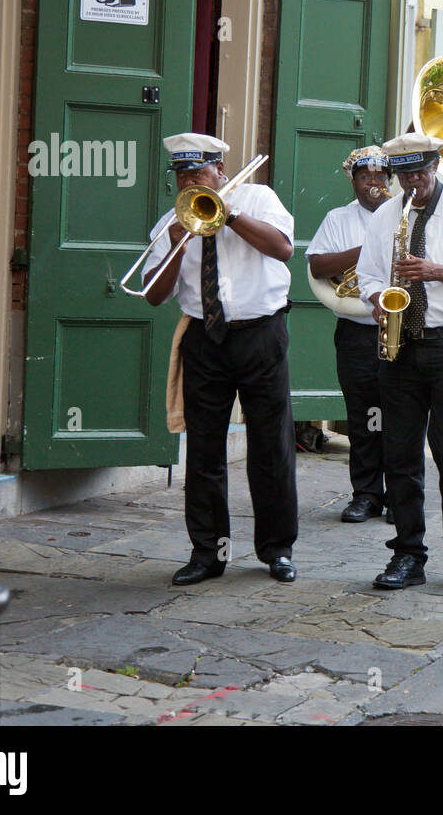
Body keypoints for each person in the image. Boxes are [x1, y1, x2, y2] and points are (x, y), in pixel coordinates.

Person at [143, 133, 298, 586]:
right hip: (205, 339)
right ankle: (208, 553)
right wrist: (176, 245)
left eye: (199, 172)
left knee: (272, 446)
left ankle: (277, 550)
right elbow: (154, 295)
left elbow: (284, 248)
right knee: (204, 451)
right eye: (182, 173)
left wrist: (228, 216)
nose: (190, 180)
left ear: (220, 172)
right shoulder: (171, 222)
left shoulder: (257, 197)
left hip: (261, 334)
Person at [356, 134, 443, 592]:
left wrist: (439, 271)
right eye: (404, 175)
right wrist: (378, 297)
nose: (413, 183)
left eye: (420, 173)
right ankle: (407, 553)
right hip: (400, 344)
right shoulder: (386, 215)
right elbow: (367, 274)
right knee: (399, 454)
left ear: (437, 165)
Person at [307, 145, 392, 523]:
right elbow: (319, 264)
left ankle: (401, 496)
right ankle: (367, 495)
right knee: (363, 417)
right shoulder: (338, 218)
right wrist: (366, 250)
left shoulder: (405, 215)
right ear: (353, 181)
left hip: (403, 330)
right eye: (364, 177)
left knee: (401, 416)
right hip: (358, 332)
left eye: (379, 176)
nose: (373, 183)